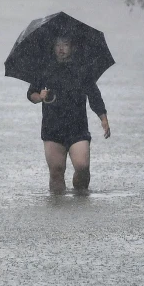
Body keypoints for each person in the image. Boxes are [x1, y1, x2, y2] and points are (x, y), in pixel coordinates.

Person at [27, 35, 110, 194]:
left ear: (72, 47)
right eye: (57, 45)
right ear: (53, 48)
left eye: (65, 44)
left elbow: (94, 96)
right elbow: (31, 94)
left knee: (82, 166)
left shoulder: (82, 69)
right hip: (52, 128)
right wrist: (40, 97)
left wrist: (103, 118)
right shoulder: (44, 68)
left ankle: (81, 196)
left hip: (77, 128)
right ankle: (57, 208)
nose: (61, 49)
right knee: (56, 171)